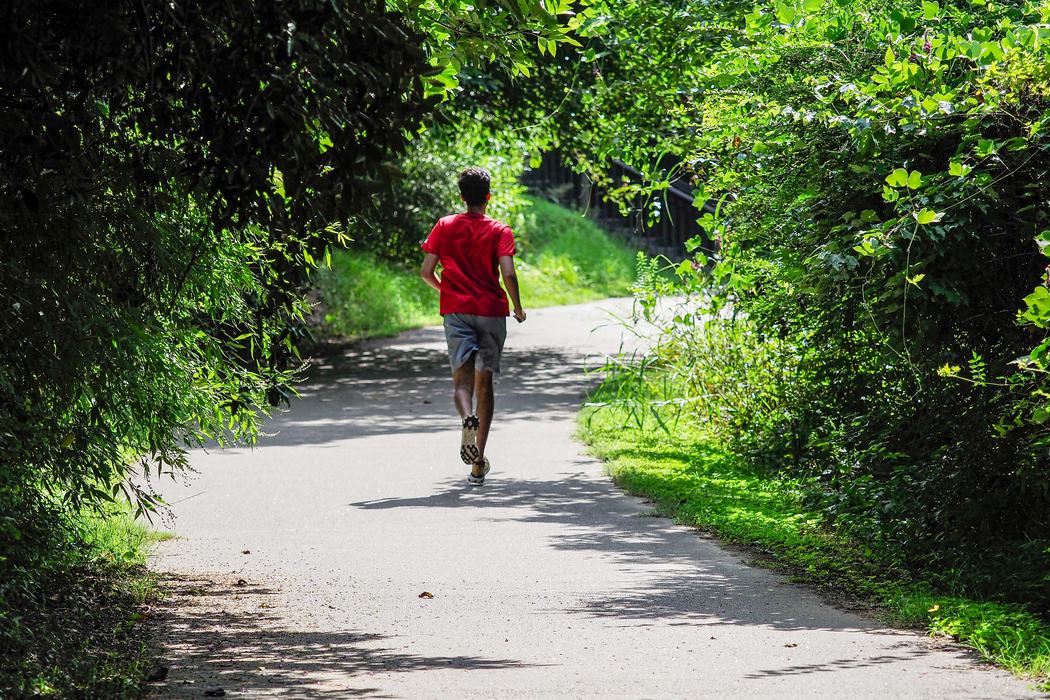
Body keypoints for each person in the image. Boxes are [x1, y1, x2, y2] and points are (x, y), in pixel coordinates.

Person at [420, 167, 526, 484]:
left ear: (462, 197)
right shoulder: (499, 230)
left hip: (456, 311)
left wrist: (448, 291)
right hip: (491, 312)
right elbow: (507, 272)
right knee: (486, 382)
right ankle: (478, 461)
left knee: (461, 384)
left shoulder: (444, 225)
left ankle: (467, 417)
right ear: (488, 197)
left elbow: (427, 271)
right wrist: (518, 306)